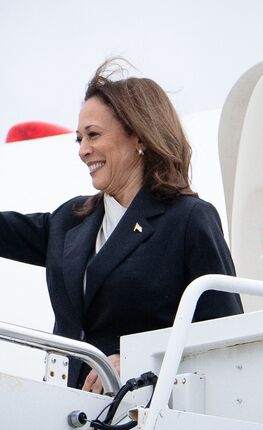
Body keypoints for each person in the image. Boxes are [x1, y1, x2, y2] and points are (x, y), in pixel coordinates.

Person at [0, 59, 243, 392]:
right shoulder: (70, 220)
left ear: (138, 136)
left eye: (93, 135)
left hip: (141, 418)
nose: (84, 150)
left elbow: (225, 335)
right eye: (79, 139)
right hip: (64, 413)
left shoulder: (189, 219)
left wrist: (133, 359)